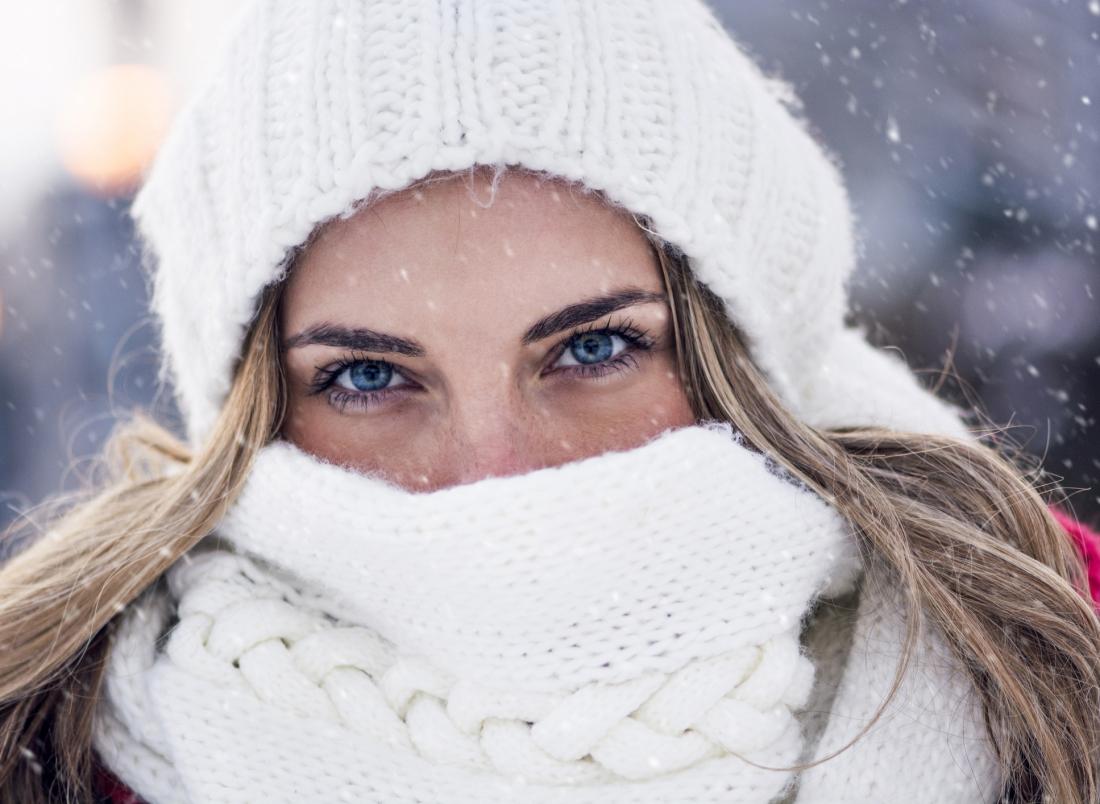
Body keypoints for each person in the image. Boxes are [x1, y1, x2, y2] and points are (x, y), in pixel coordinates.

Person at [2, 1, 1099, 802]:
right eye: (368, 377)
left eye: (593, 348)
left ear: (746, 357)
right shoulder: (48, 745)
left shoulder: (1056, 661)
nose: (498, 476)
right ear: (252, 412)